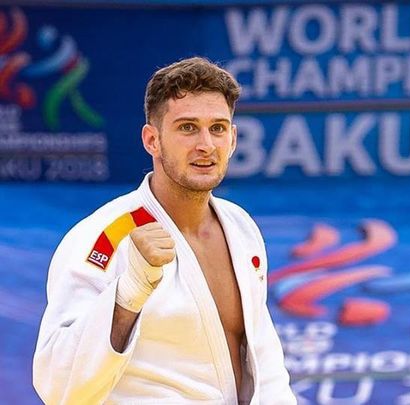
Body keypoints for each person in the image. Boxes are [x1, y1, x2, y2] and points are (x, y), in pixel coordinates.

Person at [33, 57, 297, 405]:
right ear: (152, 140)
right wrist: (128, 294)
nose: (206, 144)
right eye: (187, 127)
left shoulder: (240, 227)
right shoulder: (106, 237)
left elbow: (264, 359)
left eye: (218, 128)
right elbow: (57, 385)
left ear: (233, 139)